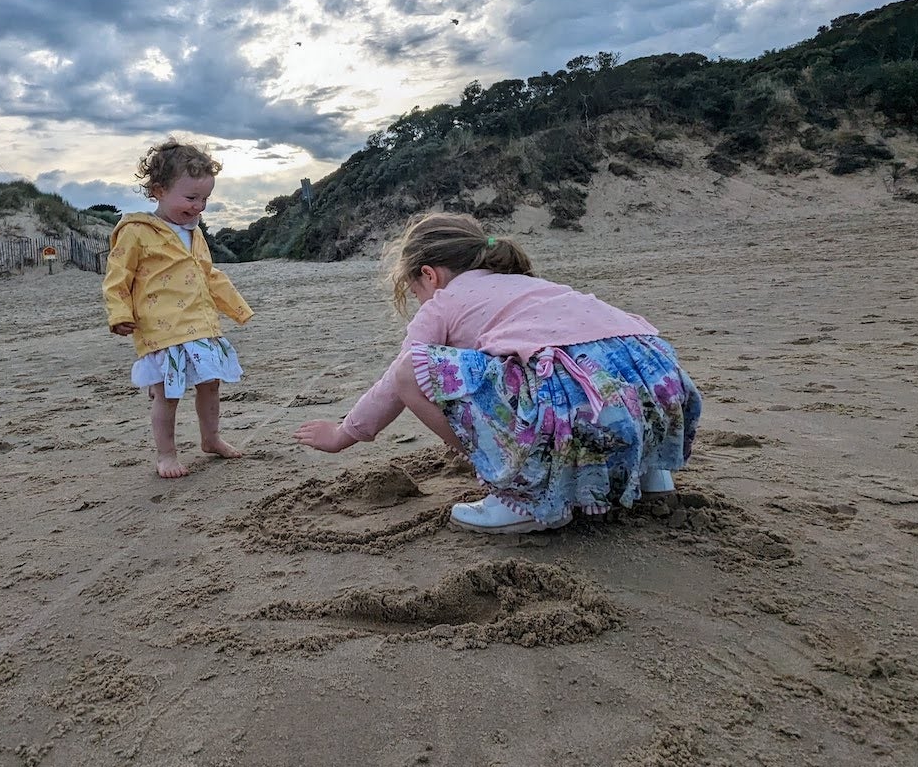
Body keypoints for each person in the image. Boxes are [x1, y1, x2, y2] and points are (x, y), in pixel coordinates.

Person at [294, 213, 701, 532]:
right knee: (569, 376)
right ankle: (652, 476)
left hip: (583, 400)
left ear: (428, 275)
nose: (419, 299)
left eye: (415, 290)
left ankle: (522, 497)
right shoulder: (530, 284)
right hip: (660, 388)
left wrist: (343, 434)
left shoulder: (444, 300)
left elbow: (397, 381)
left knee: (409, 372)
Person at [103, 139, 254, 479]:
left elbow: (208, 274)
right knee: (167, 394)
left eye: (205, 199)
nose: (199, 206)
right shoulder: (136, 232)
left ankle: (211, 438)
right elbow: (117, 277)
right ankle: (166, 455)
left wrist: (236, 308)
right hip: (161, 329)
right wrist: (119, 313)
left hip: (201, 324)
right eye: (191, 198)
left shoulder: (193, 232)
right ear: (159, 190)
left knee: (211, 383)